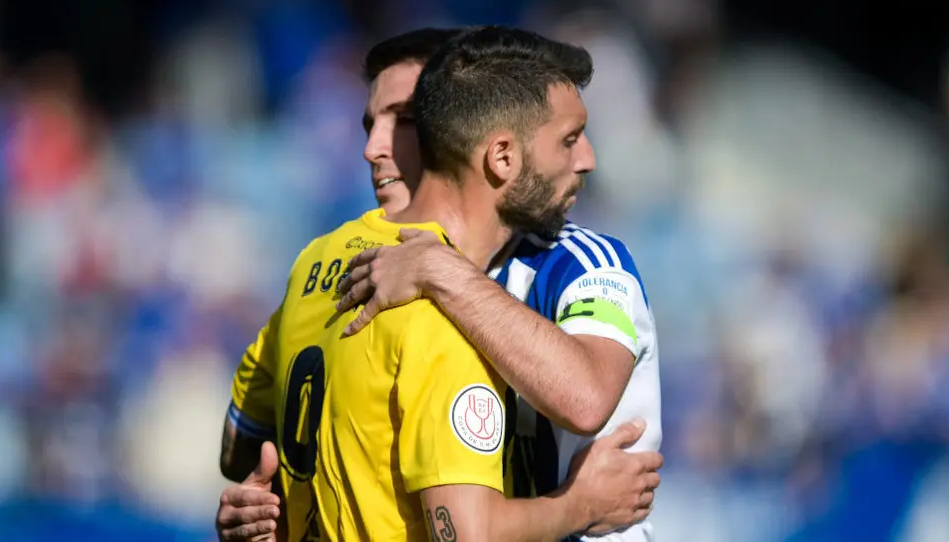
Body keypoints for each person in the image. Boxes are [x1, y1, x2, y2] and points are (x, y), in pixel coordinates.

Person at [216, 27, 662, 541]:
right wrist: (577, 505)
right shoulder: (426, 309)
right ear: (494, 147)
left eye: (402, 119)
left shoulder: (325, 261)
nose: (373, 148)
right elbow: (463, 533)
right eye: (565, 140)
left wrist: (442, 271)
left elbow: (585, 398)